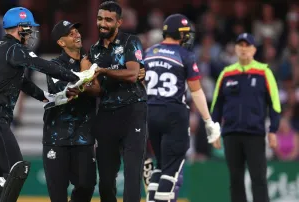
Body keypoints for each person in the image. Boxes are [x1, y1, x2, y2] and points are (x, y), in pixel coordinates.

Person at [0, 7, 95, 202]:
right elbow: (42, 65)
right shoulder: (15, 49)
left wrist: (48, 97)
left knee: (1, 181)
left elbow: (23, 83)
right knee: (17, 169)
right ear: (19, 27)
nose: (30, 33)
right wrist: (77, 76)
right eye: (28, 28)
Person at [144, 14, 221, 202]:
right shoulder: (184, 55)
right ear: (180, 34)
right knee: (171, 169)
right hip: (173, 114)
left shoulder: (150, 52)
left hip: (149, 112)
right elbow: (196, 91)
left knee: (160, 166)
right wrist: (208, 121)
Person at [83, 1, 147, 202]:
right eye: (100, 18)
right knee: (106, 179)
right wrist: (85, 85)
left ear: (119, 22)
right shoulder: (93, 51)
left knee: (132, 173)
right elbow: (98, 90)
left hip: (133, 112)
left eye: (108, 20)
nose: (103, 23)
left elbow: (132, 74)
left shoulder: (130, 41)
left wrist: (102, 71)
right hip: (106, 114)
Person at [210, 33, 281, 202]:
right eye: (240, 45)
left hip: (254, 134)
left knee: (259, 178)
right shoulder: (226, 74)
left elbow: (275, 103)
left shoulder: (264, 72)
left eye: (247, 45)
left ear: (254, 49)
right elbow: (216, 105)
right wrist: (214, 130)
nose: (243, 49)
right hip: (231, 134)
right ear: (235, 49)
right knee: (235, 180)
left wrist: (273, 130)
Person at [41, 20, 101, 202]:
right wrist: (87, 74)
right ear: (61, 42)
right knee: (57, 195)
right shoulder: (52, 65)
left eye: (77, 31)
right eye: (71, 33)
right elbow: (68, 90)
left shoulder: (90, 62)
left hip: (83, 137)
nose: (77, 35)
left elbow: (98, 89)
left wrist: (86, 73)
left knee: (87, 185)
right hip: (56, 137)